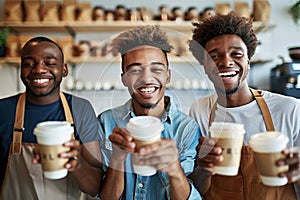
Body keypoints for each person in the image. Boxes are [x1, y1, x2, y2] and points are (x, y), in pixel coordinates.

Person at [188, 11, 300, 200]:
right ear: (205, 67)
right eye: (214, 57)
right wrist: (204, 169)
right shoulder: (199, 111)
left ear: (248, 62)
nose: (226, 62)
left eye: (236, 54)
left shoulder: (289, 110)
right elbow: (196, 188)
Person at [97, 25, 202, 200]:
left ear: (167, 76)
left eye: (156, 69)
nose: (146, 78)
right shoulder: (106, 122)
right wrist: (118, 158)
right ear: (124, 78)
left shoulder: (186, 128)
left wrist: (174, 169)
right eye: (135, 70)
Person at [0, 36, 102, 200]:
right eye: (29, 63)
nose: (39, 69)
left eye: (50, 63)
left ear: (64, 70)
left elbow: (95, 187)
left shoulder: (80, 109)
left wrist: (76, 164)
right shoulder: (3, 110)